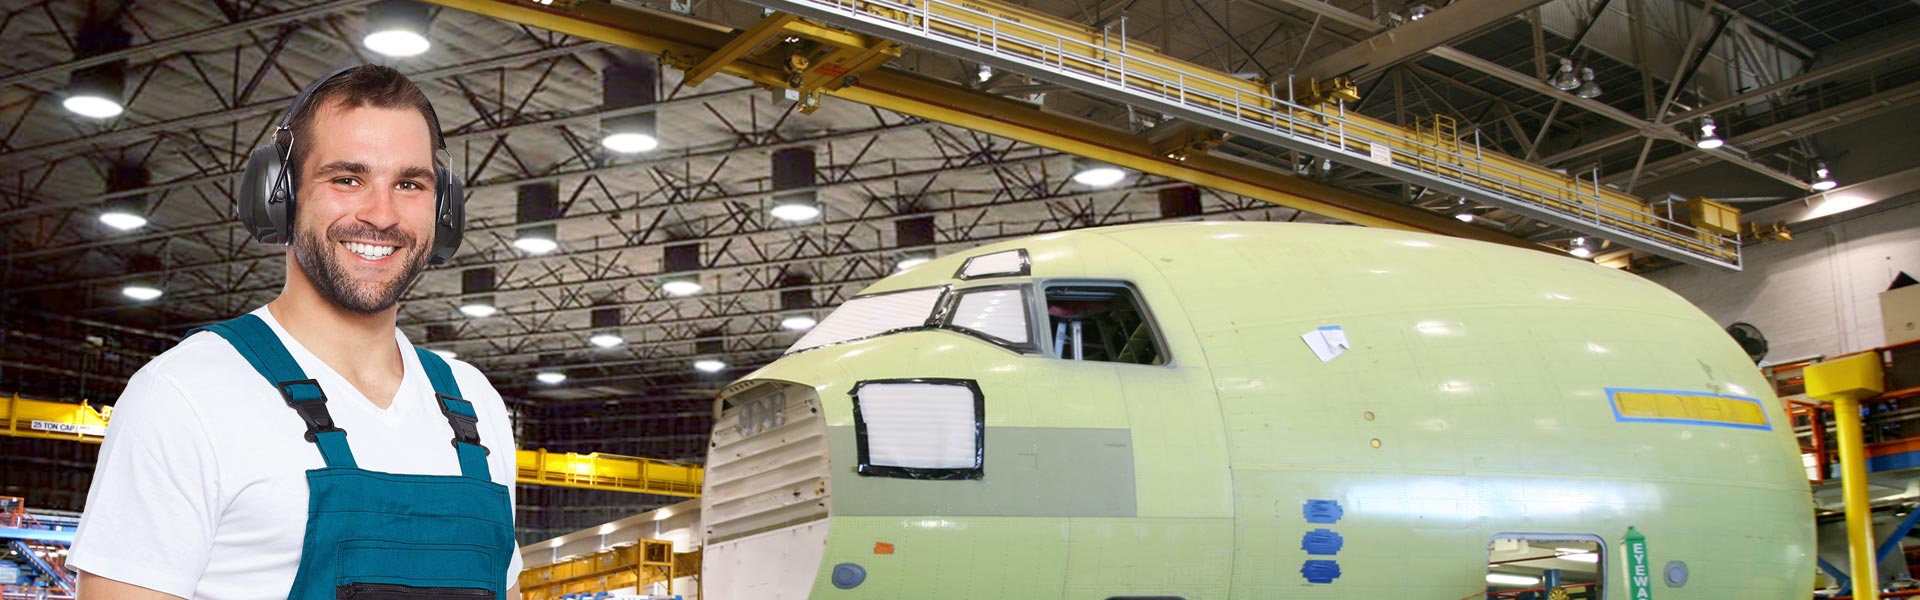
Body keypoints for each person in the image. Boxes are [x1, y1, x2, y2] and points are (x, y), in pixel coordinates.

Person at [67, 65, 522, 600]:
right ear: (278, 196)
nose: (382, 214)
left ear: (445, 209)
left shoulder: (474, 403)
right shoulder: (186, 393)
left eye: (409, 183)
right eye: (346, 178)